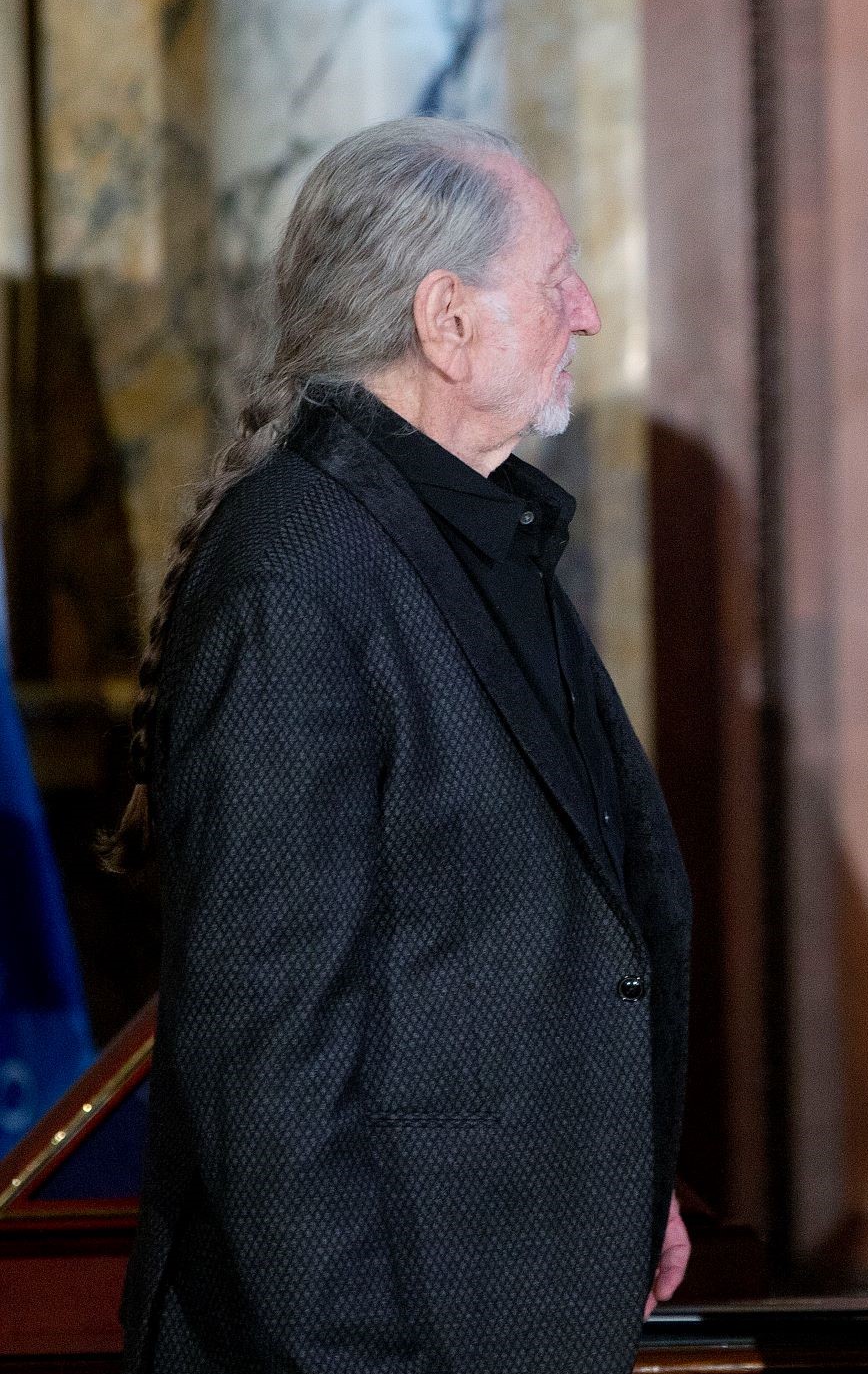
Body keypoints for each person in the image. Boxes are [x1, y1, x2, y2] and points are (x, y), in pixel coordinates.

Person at [110, 118, 695, 1371]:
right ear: (448, 319)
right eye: (557, 277)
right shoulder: (296, 573)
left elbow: (496, 943)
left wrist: (614, 1180)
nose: (586, 312)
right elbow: (268, 1060)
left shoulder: (464, 540)